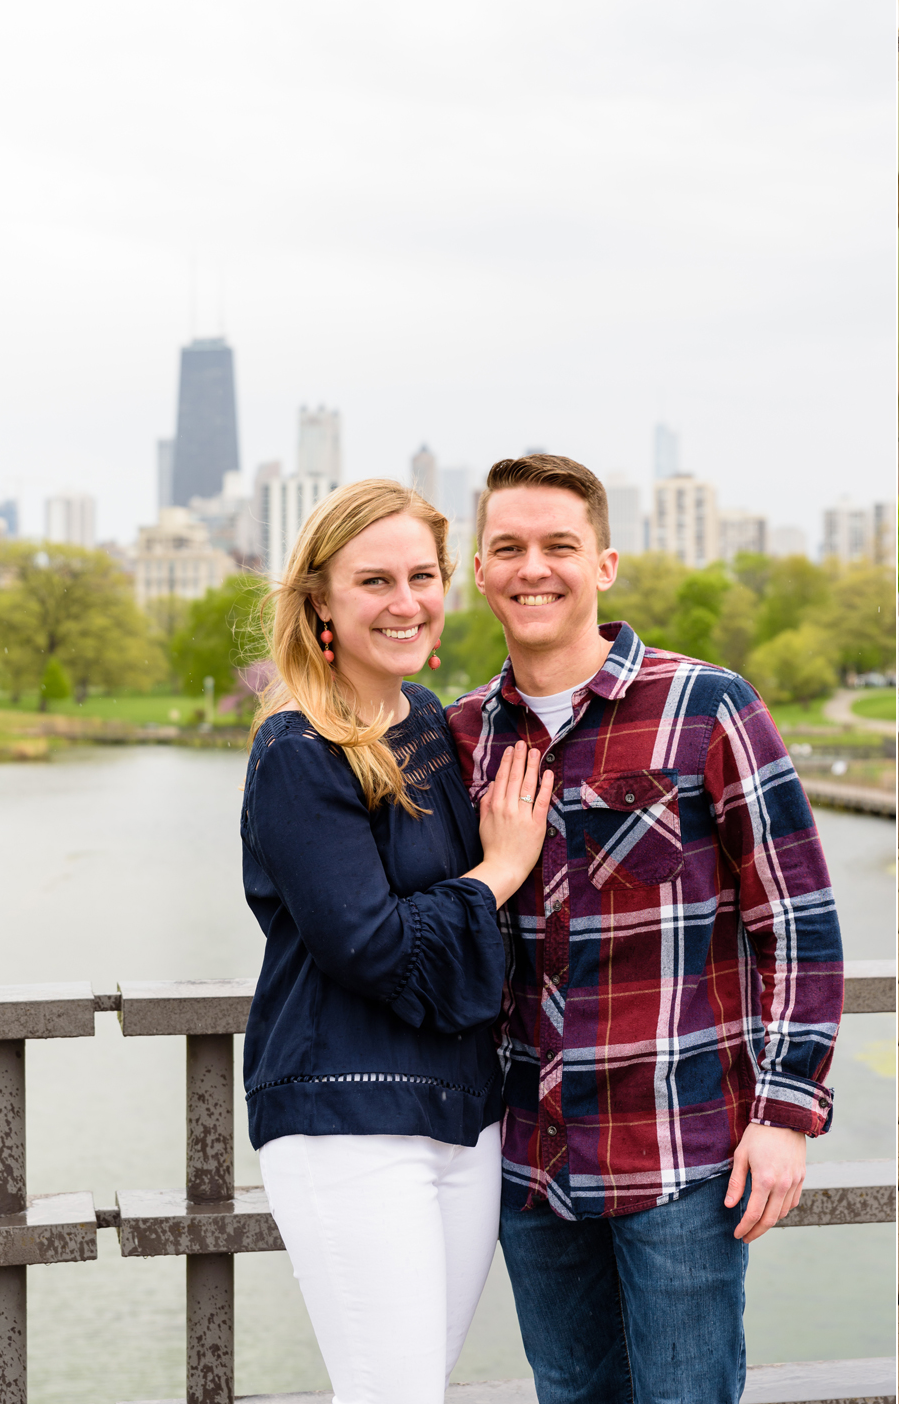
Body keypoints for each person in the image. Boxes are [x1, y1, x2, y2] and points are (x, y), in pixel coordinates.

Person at [446, 454, 845, 1404]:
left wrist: (787, 1114)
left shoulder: (708, 707)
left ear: (606, 563)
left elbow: (796, 921)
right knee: (571, 1394)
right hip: (530, 1162)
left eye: (558, 546)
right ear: (479, 569)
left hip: (680, 1150)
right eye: (508, 547)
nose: (532, 567)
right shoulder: (459, 736)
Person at [240, 479, 554, 1400]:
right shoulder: (299, 750)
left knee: (412, 1384)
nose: (406, 600)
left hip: (464, 1115)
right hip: (346, 1116)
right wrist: (499, 869)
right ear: (321, 601)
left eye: (423, 575)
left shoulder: (425, 720)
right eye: (374, 579)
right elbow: (369, 944)